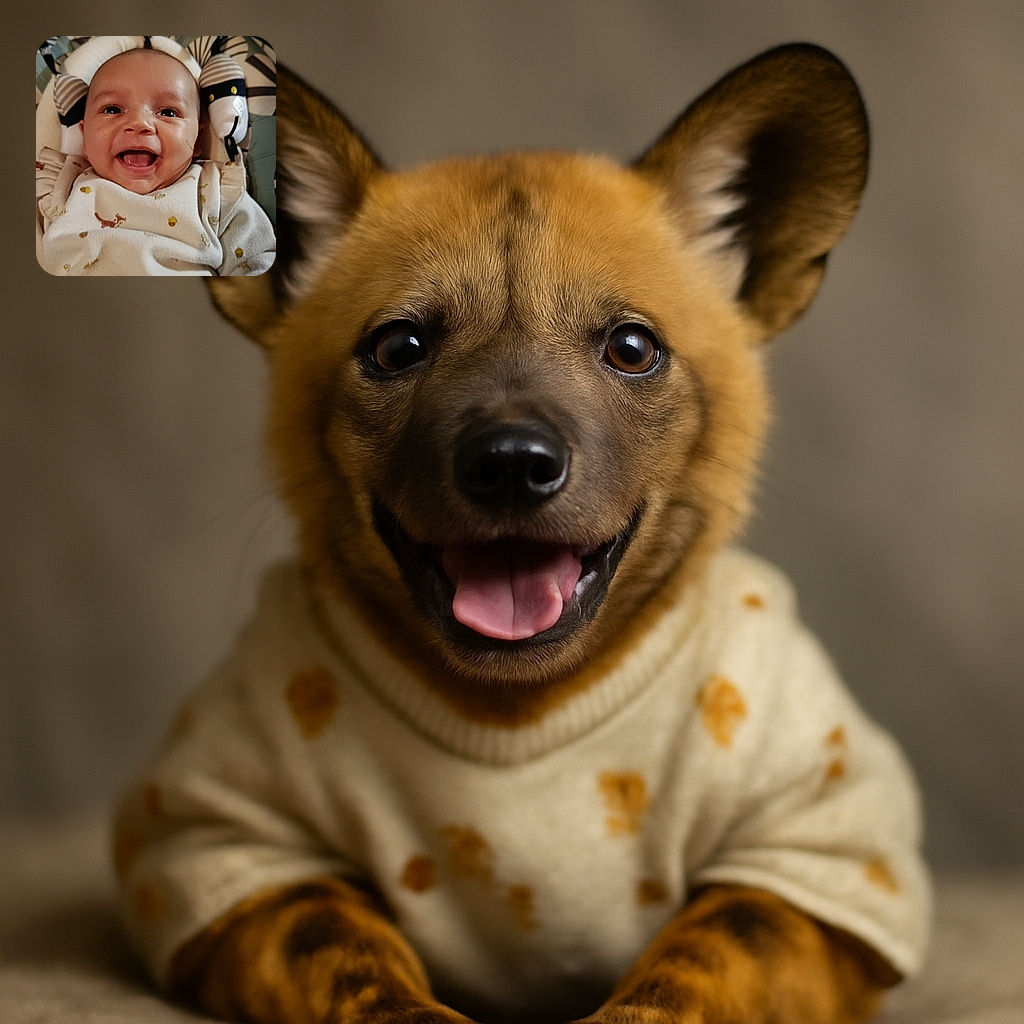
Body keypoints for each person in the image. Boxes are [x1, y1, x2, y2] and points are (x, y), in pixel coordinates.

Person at [36, 48, 275, 276]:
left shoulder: (216, 192)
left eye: (168, 112)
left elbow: (257, 262)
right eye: (112, 109)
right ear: (84, 138)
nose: (140, 123)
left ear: (197, 140)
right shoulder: (62, 184)